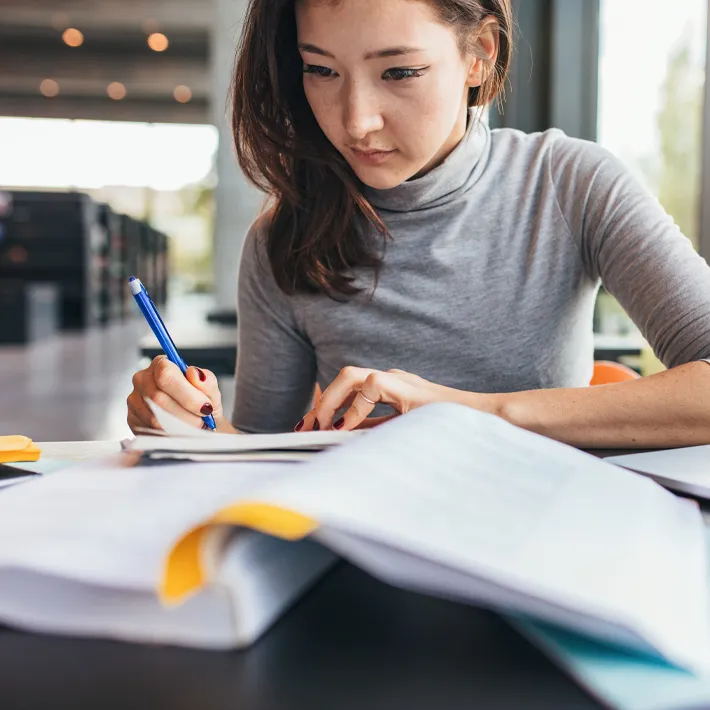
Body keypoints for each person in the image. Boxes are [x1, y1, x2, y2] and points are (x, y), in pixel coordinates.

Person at [127, 0, 710, 448]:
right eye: (321, 70)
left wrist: (474, 413)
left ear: (479, 53)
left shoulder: (570, 184)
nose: (356, 121)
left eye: (399, 72)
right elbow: (261, 454)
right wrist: (185, 424)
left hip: (538, 547)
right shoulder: (283, 237)